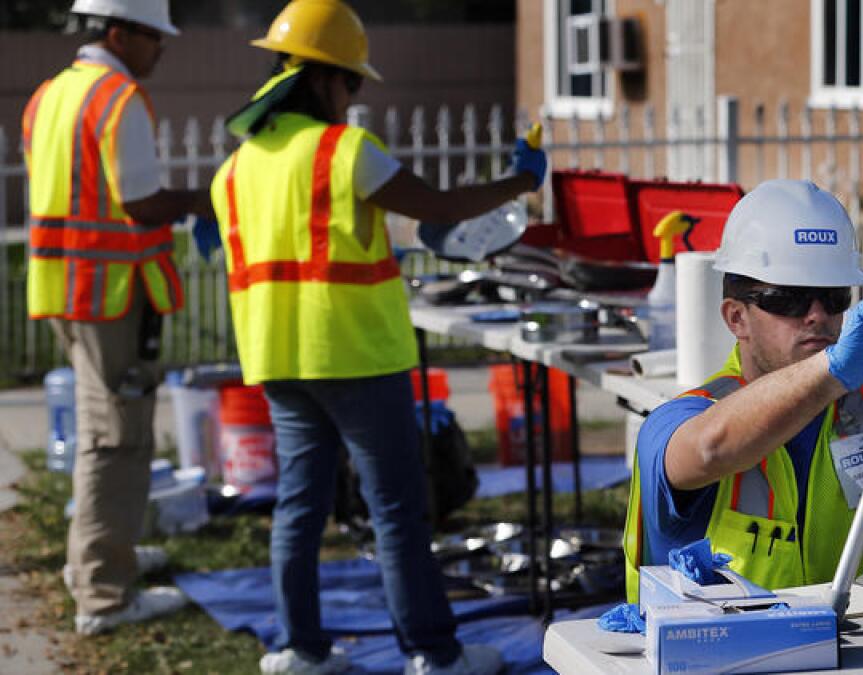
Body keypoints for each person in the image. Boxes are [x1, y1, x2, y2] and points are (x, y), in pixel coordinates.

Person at [208, 1, 545, 674]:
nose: (353, 98)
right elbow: (442, 207)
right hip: (357, 356)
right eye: (354, 83)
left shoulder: (237, 168)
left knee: (299, 508)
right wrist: (522, 180)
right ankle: (435, 654)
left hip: (277, 359)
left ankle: (300, 650)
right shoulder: (344, 152)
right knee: (395, 510)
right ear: (328, 79)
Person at [622, 179, 863, 600]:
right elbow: (710, 448)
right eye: (789, 299)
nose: (817, 315)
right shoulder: (682, 419)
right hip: (720, 659)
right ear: (736, 318)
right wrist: (833, 369)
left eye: (833, 296)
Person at [22, 0, 214, 635]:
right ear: (119, 32)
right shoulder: (117, 98)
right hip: (108, 296)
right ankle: (105, 594)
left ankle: (101, 558)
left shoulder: (50, 94)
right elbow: (142, 204)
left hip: (65, 290)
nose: (162, 49)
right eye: (154, 37)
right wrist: (207, 199)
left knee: (98, 430)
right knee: (117, 438)